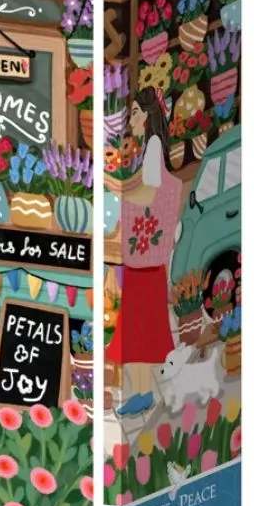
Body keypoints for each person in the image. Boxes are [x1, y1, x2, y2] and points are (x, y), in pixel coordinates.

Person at [106, 88, 183, 420]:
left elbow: (150, 193)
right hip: (148, 255)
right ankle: (143, 393)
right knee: (141, 325)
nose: (131, 120)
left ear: (149, 116)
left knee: (140, 324)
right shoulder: (150, 149)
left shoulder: (151, 148)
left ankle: (143, 393)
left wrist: (118, 194)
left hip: (144, 252)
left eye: (136, 113)